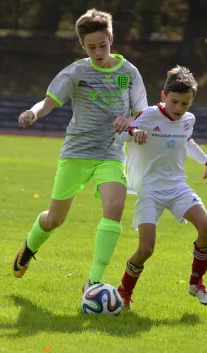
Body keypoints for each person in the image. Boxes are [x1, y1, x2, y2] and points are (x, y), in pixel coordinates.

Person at [13, 8, 148, 292]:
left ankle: (94, 281)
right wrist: (33, 113)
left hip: (110, 154)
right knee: (54, 220)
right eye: (91, 47)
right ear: (82, 45)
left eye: (103, 45)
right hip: (76, 153)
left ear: (112, 38)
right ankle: (29, 246)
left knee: (115, 207)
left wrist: (130, 119)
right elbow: (48, 101)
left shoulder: (127, 73)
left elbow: (140, 111)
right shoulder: (76, 72)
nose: (98, 52)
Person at [115, 65, 207, 309]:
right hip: (150, 191)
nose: (178, 109)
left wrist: (206, 161)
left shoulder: (187, 119)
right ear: (163, 97)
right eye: (174, 102)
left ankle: (196, 282)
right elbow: (121, 133)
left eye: (185, 104)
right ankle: (124, 291)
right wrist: (135, 130)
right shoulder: (147, 115)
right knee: (146, 249)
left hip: (178, 187)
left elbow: (186, 140)